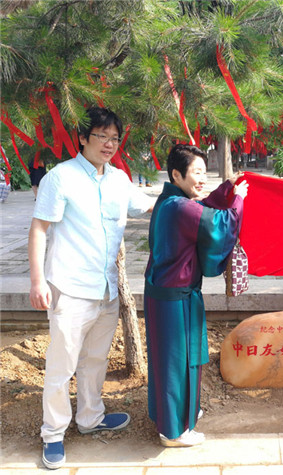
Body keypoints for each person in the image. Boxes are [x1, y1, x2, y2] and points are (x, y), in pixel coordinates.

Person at [28, 106, 154, 470]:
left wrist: (198, 198)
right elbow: (39, 229)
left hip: (106, 290)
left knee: (95, 359)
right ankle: (53, 433)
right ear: (82, 138)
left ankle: (89, 418)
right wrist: (38, 281)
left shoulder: (118, 180)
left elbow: (149, 208)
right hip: (69, 288)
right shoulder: (61, 177)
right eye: (102, 137)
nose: (109, 144)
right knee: (61, 365)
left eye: (115, 138)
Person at [144, 144, 248, 447]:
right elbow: (218, 224)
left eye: (206, 172)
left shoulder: (170, 199)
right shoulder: (180, 206)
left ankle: (170, 416)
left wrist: (228, 188)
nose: (202, 179)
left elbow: (204, 208)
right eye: (197, 172)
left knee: (170, 363)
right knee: (177, 363)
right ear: (177, 174)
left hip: (166, 295)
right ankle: (173, 431)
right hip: (174, 299)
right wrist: (239, 200)